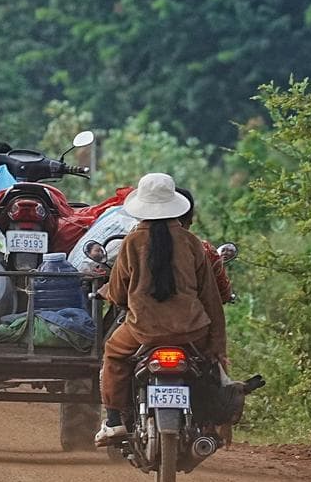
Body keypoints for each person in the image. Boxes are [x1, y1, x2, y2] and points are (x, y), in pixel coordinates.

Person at [95, 172, 227, 445]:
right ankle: (208, 423)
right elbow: (211, 298)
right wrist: (217, 346)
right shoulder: (192, 242)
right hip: (192, 331)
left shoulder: (132, 241)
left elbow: (118, 292)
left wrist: (118, 298)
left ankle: (114, 422)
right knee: (207, 366)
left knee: (113, 354)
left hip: (143, 331)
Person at [175, 187, 233, 304]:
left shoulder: (134, 246)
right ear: (190, 219)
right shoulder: (203, 250)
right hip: (190, 320)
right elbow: (223, 292)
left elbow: (126, 292)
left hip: (141, 320)